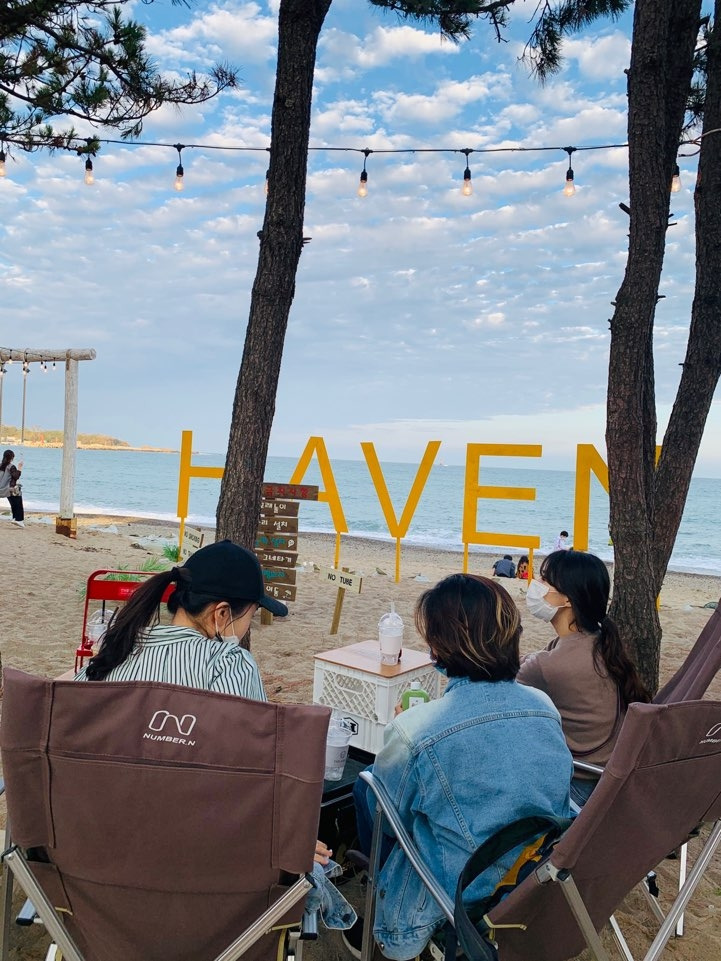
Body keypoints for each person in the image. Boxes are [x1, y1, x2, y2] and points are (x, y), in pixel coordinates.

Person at [346, 574, 572, 961]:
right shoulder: (543, 706)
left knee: (366, 789)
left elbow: (390, 815)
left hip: (452, 895)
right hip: (527, 874)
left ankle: (383, 893)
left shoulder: (417, 729)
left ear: (438, 647)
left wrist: (405, 732)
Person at [76, 539, 336, 870]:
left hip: (96, 848)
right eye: (251, 616)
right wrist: (284, 835)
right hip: (193, 859)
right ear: (222, 613)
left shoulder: (114, 653)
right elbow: (253, 779)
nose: (247, 628)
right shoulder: (228, 663)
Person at [517, 550, 650, 808]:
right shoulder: (600, 642)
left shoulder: (551, 664)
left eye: (545, 580)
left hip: (578, 789)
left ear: (567, 598)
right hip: (607, 781)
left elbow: (499, 690)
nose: (536, 584)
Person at [0, 449, 25, 528]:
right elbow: (16, 476)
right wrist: (20, 468)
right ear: (12, 458)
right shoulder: (11, 466)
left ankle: (15, 518)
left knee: (13, 504)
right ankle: (19, 520)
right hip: (10, 489)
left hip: (2, 489)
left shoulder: (1, 465)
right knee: (18, 503)